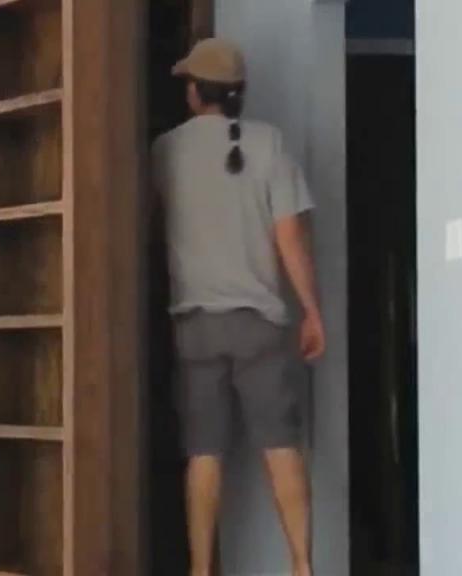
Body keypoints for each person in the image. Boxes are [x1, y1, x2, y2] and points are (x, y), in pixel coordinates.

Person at [151, 38, 326, 576]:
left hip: (195, 325)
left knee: (204, 453)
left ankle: (200, 570)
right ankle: (302, 566)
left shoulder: (164, 151)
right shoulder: (269, 144)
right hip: (259, 325)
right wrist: (312, 311)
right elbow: (289, 236)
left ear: (194, 92)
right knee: (281, 446)